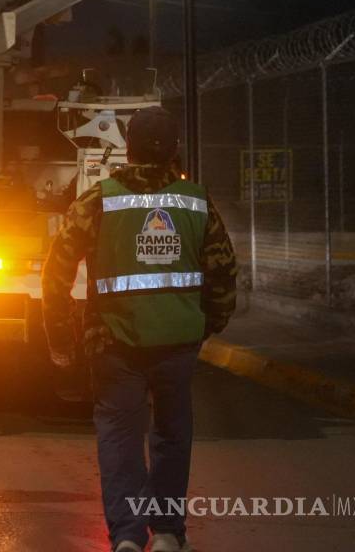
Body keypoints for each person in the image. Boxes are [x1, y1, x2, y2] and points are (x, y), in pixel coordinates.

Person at [41, 106, 237, 552]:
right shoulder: (196, 202)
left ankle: (127, 536)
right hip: (178, 342)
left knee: (119, 435)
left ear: (126, 150)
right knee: (171, 433)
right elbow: (224, 272)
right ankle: (167, 533)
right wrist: (207, 324)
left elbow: (56, 272)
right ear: (174, 150)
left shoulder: (98, 199)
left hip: (113, 343)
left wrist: (61, 339)